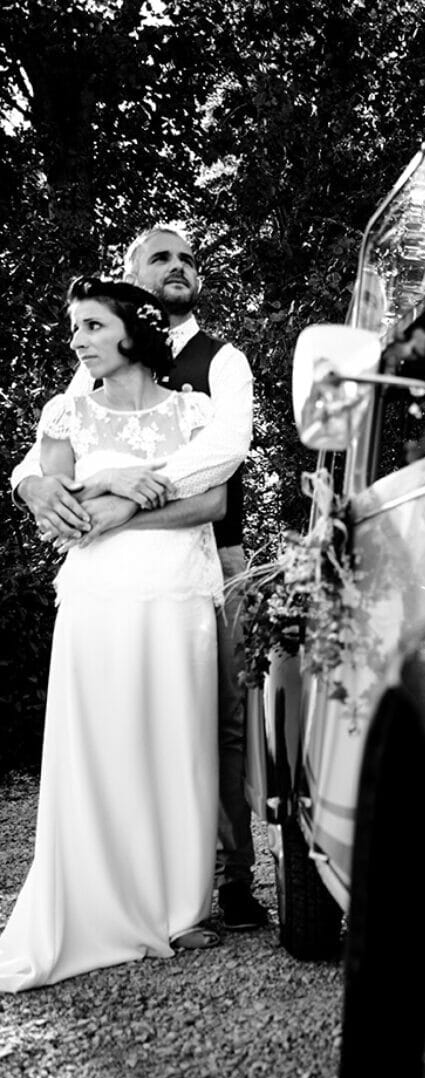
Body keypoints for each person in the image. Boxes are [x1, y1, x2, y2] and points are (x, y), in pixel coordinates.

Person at [11, 224, 268, 932]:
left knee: (218, 723)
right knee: (129, 714)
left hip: (216, 557)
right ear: (131, 278)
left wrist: (124, 500)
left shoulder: (223, 362)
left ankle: (230, 880)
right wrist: (33, 489)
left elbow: (224, 452)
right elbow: (52, 454)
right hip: (118, 571)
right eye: (162, 257)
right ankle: (135, 875)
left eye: (190, 257)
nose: (180, 266)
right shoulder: (96, 359)